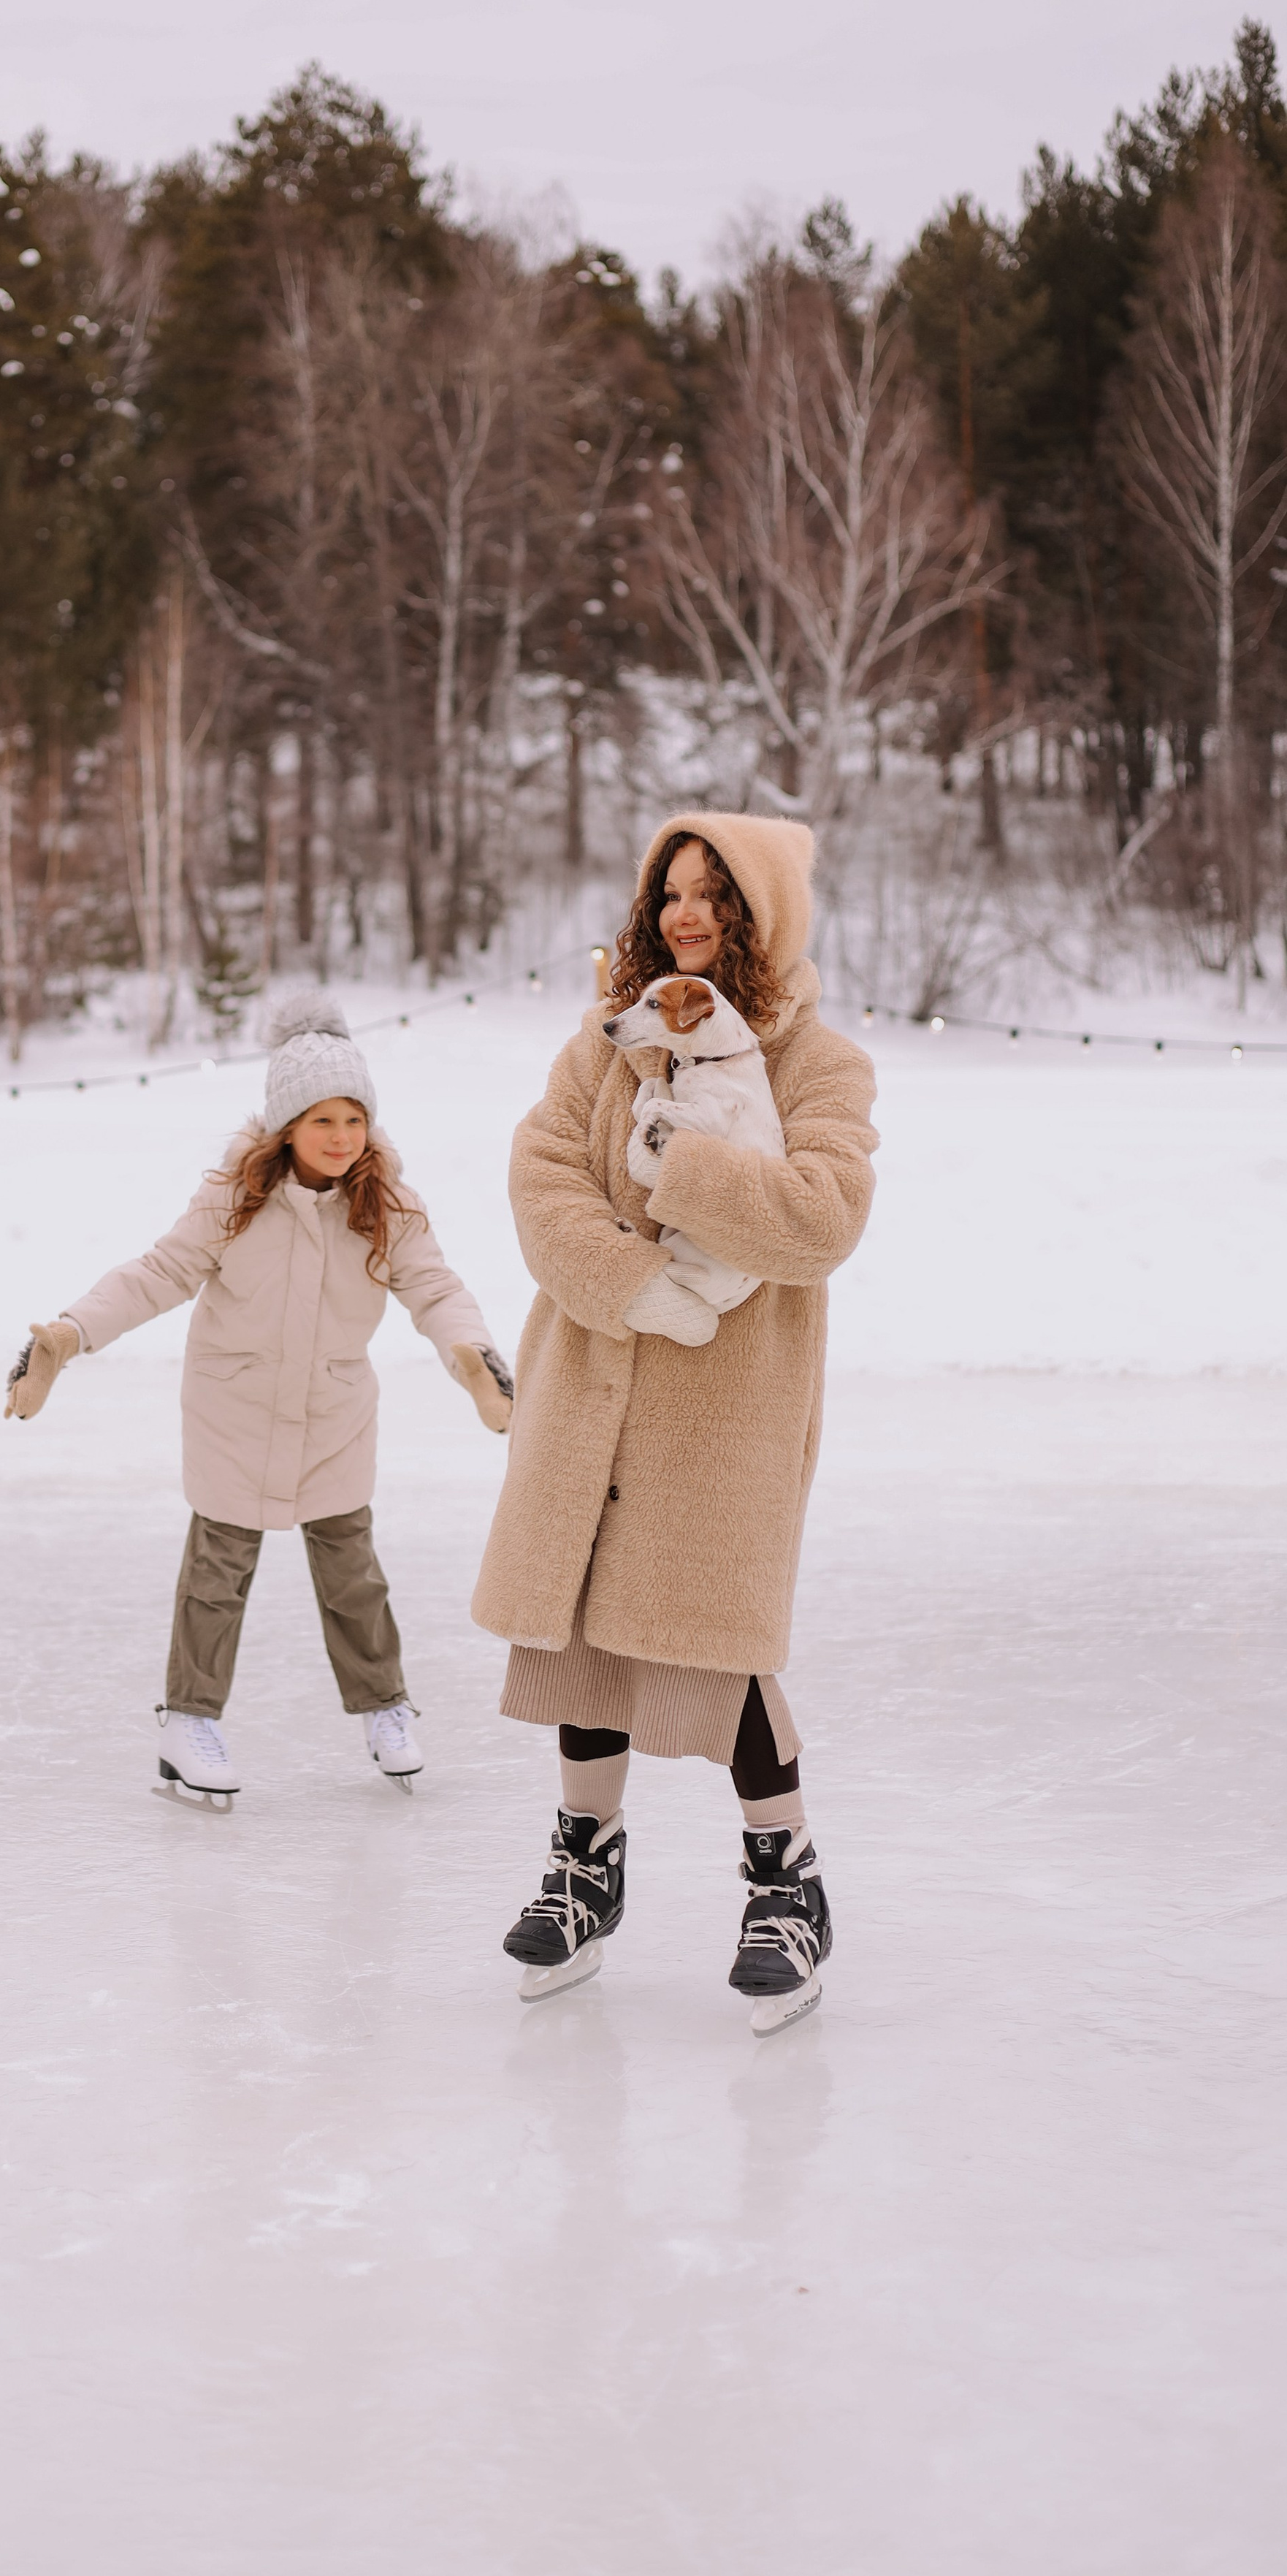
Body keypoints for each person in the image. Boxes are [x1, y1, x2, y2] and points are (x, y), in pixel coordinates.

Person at [471, 814, 877, 2031]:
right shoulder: (608, 1040)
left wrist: (679, 1168)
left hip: (724, 1412)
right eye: (670, 893)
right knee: (584, 1632)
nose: (685, 914)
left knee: (718, 1643)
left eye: (715, 896)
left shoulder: (820, 1062)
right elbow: (539, 1175)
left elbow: (821, 1216)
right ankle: (584, 1868)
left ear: (762, 917)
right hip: (592, 1379)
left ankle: (785, 1881)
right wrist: (631, 1280)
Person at [7, 991, 513, 1805]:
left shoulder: (387, 1205)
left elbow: (434, 1286)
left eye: (355, 1120)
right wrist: (70, 1334)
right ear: (286, 1125)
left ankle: (385, 1708)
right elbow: (159, 1273)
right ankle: (186, 1721)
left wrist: (470, 1354)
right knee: (217, 1570)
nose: (342, 1138)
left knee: (353, 1573)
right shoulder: (233, 1198)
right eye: (323, 1122)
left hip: (332, 1414)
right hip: (233, 1412)